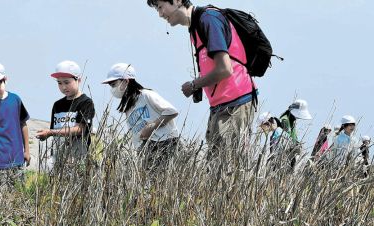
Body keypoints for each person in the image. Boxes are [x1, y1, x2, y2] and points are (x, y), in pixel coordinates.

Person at [146, 0, 256, 161]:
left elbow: (225, 69)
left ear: (177, 1)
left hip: (235, 103)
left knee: (223, 170)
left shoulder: (208, 19)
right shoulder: (195, 27)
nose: (160, 14)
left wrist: (194, 84)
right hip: (221, 106)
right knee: (216, 166)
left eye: (161, 7)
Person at [102, 63, 179, 168]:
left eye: (113, 84)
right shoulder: (127, 106)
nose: (112, 89)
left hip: (165, 143)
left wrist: (151, 127)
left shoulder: (146, 95)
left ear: (125, 81)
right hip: (146, 148)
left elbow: (172, 111)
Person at [36, 60, 95, 170]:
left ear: (79, 80)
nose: (63, 87)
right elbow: (54, 134)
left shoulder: (85, 102)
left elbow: (80, 129)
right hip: (58, 159)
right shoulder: (57, 105)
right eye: (59, 83)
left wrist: (50, 132)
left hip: (78, 157)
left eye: (67, 82)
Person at [279, 99, 312, 169]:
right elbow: (285, 140)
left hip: (291, 155)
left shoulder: (291, 120)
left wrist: (298, 144)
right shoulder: (285, 121)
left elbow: (293, 137)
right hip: (284, 157)